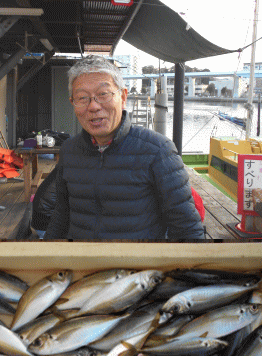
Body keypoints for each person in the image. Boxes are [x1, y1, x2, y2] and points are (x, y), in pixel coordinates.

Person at [43, 55, 205, 240]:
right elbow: (61, 215)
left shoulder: (158, 150)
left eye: (103, 94)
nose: (94, 106)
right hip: (82, 264)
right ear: (73, 103)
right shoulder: (69, 150)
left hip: (136, 266)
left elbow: (187, 228)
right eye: (82, 98)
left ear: (123, 96)